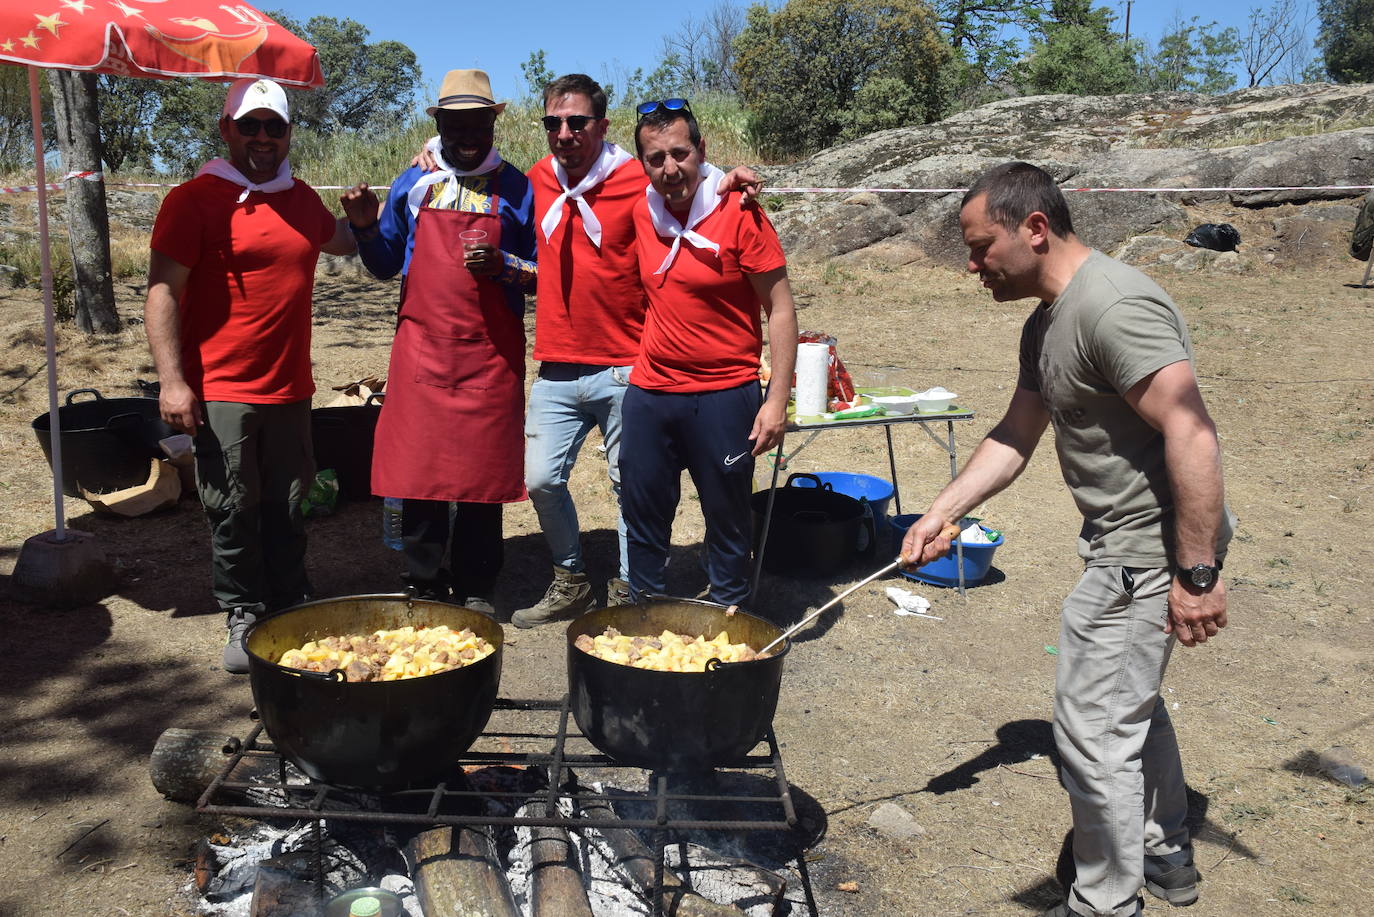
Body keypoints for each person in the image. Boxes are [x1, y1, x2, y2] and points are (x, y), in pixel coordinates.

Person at [899, 161, 1236, 917]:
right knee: (1128, 705)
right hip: (1130, 548)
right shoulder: (1046, 323)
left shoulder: (1113, 306)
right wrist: (940, 511)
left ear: (1036, 229)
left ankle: (1105, 901)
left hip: (1148, 553)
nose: (972, 264)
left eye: (983, 246)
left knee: (1091, 737)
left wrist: (1197, 572)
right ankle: (1163, 848)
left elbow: (1192, 430)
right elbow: (1017, 435)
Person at [144, 78, 358, 673]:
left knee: (290, 503)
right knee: (234, 505)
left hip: (290, 386)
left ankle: (290, 602)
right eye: (251, 125)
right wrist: (172, 381)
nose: (263, 138)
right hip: (224, 387)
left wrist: (368, 218)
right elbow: (162, 292)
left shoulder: (300, 196)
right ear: (227, 130)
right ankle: (243, 610)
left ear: (289, 133)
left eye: (275, 126)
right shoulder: (194, 199)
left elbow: (339, 239)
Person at [340, 69, 536, 615]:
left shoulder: (518, 188)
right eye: (456, 124)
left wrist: (505, 265)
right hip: (422, 347)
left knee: (482, 472)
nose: (467, 135)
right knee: (419, 470)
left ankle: (476, 584)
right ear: (441, 126)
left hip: (489, 352)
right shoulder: (413, 183)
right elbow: (384, 265)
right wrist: (362, 229)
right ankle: (423, 581)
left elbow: (541, 274)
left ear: (492, 124)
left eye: (477, 122)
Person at [619, 99, 797, 610]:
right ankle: (644, 620)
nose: (670, 169)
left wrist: (775, 400)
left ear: (702, 150)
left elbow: (780, 311)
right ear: (642, 164)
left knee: (727, 520)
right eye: (656, 159)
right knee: (643, 516)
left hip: (724, 395)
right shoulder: (642, 209)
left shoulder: (740, 213)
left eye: (680, 153)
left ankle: (727, 625)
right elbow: (580, 158)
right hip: (651, 393)